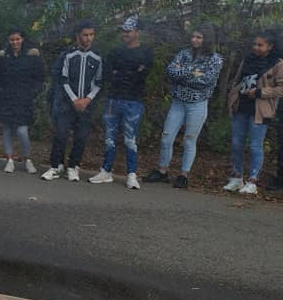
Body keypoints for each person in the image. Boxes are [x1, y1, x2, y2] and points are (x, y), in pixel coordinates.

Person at [143, 29, 223, 189]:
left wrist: (182, 74)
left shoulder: (215, 59)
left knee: (189, 139)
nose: (194, 40)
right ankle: (162, 171)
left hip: (197, 103)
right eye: (193, 36)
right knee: (166, 136)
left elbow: (205, 81)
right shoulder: (184, 53)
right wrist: (192, 72)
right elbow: (171, 72)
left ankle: (183, 175)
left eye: (199, 37)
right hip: (178, 102)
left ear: (206, 39)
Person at [88, 15, 154, 189]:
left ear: (137, 32)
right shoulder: (116, 51)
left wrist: (123, 72)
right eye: (123, 31)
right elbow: (109, 74)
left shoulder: (146, 52)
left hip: (134, 101)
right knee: (109, 138)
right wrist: (131, 71)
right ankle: (106, 171)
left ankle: (132, 174)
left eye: (128, 31)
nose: (125, 34)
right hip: (113, 99)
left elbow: (142, 75)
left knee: (130, 139)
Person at [41, 21, 103, 181]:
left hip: (87, 106)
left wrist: (87, 100)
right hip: (66, 104)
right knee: (61, 134)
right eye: (85, 35)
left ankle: (73, 166)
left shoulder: (98, 57)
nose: (88, 38)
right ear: (77, 36)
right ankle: (56, 166)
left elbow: (99, 82)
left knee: (81, 137)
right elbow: (63, 79)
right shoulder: (68, 55)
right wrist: (75, 100)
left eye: (91, 35)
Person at [222, 32, 283, 195]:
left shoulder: (277, 64)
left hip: (260, 111)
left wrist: (259, 92)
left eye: (260, 45)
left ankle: (252, 181)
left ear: (270, 47)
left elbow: (280, 88)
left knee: (255, 145)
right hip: (241, 107)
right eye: (255, 44)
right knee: (236, 143)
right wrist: (233, 95)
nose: (256, 47)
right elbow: (237, 79)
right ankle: (236, 177)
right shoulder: (247, 60)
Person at [0, 29, 44, 173]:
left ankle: (27, 159)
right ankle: (9, 160)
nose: (15, 42)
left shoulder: (32, 55)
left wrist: (33, 92)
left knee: (22, 131)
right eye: (12, 40)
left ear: (22, 39)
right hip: (6, 98)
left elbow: (39, 77)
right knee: (7, 129)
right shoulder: (3, 56)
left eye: (17, 39)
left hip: (24, 99)